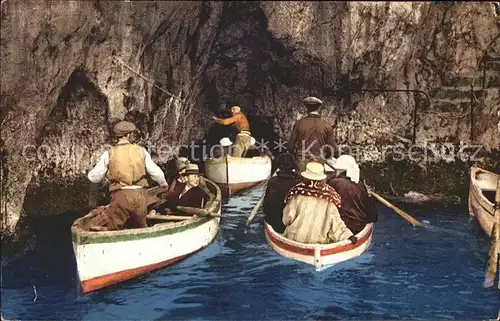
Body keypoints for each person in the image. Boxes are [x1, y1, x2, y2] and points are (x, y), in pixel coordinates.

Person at [87, 121, 168, 231]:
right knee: (140, 229)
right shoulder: (141, 151)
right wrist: (163, 184)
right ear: (129, 135)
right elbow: (155, 172)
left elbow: (94, 178)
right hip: (139, 195)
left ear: (117, 136)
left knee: (114, 229)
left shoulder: (109, 153)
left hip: (121, 195)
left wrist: (90, 174)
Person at [282, 161, 357, 244]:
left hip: (294, 238)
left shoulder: (296, 192)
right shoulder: (330, 196)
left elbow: (287, 219)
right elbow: (336, 225)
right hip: (319, 241)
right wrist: (349, 236)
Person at [326, 155, 378, 234]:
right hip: (359, 226)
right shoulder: (360, 185)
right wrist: (369, 196)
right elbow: (373, 216)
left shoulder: (335, 182)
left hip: (343, 227)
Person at [287, 96, 337, 171]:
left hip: (301, 163)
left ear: (307, 108)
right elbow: (333, 148)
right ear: (319, 108)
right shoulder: (326, 125)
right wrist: (324, 156)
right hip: (318, 162)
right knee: (317, 181)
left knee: (300, 181)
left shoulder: (299, 124)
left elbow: (290, 146)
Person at [262, 153, 302, 233]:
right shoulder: (299, 183)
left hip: (275, 222)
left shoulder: (272, 182)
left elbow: (265, 207)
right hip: (292, 223)